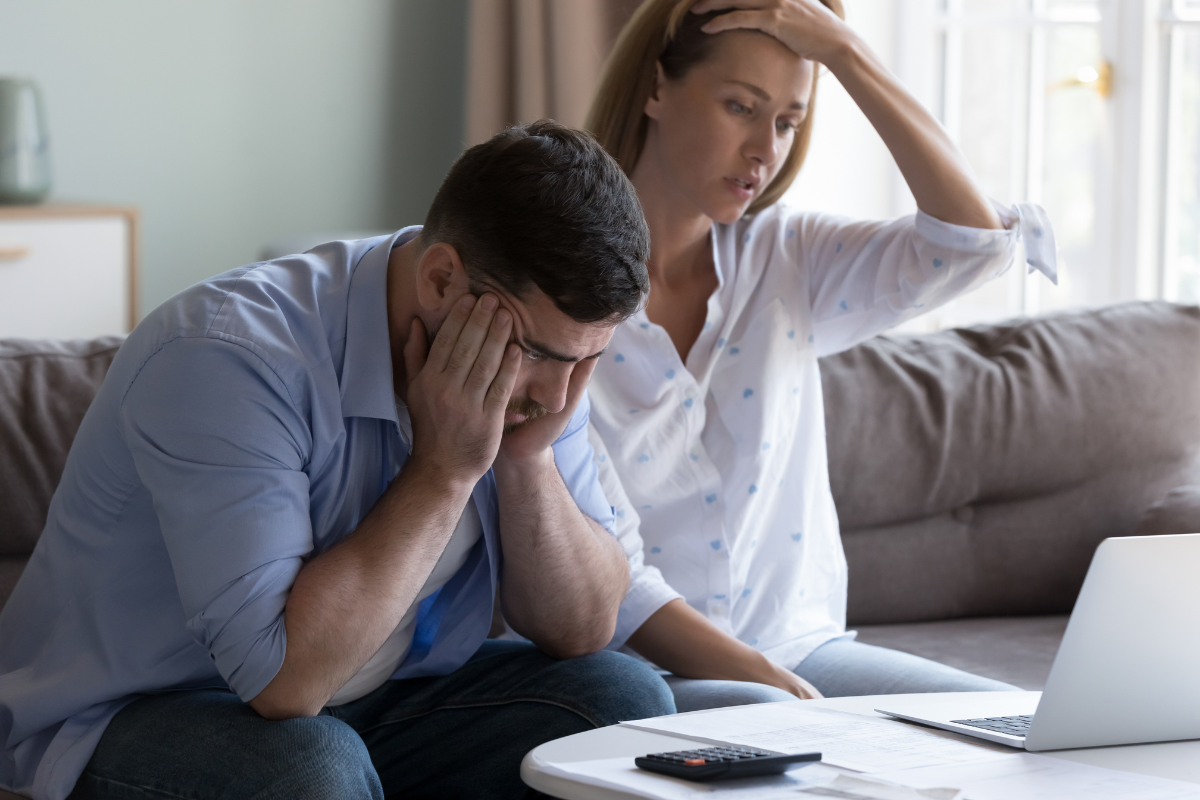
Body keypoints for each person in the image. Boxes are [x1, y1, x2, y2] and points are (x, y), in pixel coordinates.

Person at [0, 121, 676, 800]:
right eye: (540, 356)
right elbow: (282, 681)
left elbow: (586, 626)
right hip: (129, 717)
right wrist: (445, 471)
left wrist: (526, 460)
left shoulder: (542, 374)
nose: (560, 396)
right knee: (309, 768)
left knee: (619, 702)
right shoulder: (227, 356)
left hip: (366, 702)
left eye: (588, 360)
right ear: (441, 279)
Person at [583, 0, 1058, 711]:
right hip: (637, 673)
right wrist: (775, 690)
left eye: (787, 121)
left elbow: (972, 242)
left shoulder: (790, 259)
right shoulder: (560, 296)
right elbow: (604, 571)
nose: (764, 150)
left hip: (802, 653)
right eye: (741, 107)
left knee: (1021, 726)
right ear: (656, 89)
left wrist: (846, 54)